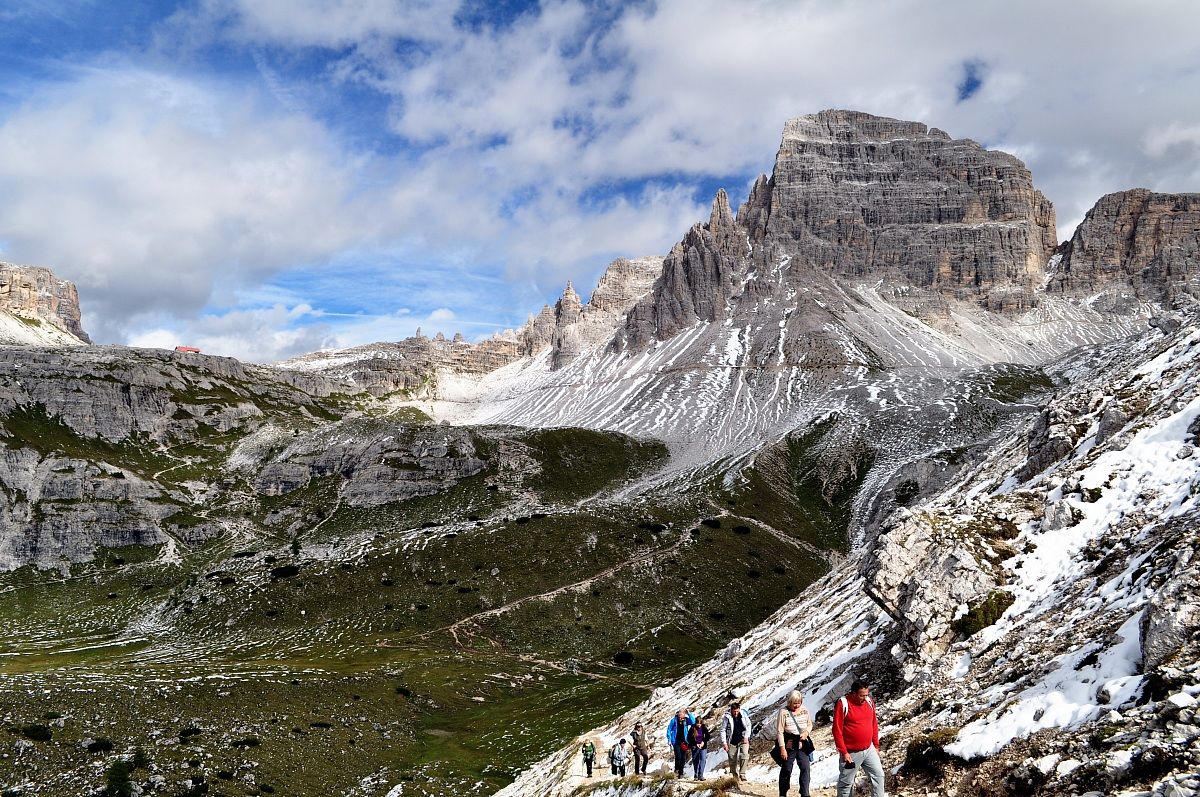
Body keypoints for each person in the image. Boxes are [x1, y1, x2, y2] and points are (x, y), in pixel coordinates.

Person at [832, 680, 884, 797]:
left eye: (866, 694)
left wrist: (876, 745)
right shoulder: (843, 703)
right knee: (846, 784)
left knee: (878, 776)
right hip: (851, 752)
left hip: (869, 749)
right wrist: (844, 752)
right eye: (862, 695)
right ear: (854, 693)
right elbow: (837, 730)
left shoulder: (869, 701)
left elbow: (874, 723)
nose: (865, 698)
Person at [776, 690, 813, 797]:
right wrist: (782, 748)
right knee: (787, 769)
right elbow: (780, 731)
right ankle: (783, 792)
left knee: (805, 768)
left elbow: (809, 724)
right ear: (789, 702)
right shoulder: (783, 712)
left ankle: (805, 793)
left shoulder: (805, 710)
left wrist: (806, 732)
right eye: (794, 703)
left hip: (802, 743)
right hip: (789, 743)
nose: (797, 705)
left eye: (799, 703)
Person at [721, 701, 753, 786]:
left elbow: (749, 726)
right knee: (732, 759)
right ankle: (735, 777)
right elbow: (723, 730)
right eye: (734, 711)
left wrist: (746, 736)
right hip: (732, 741)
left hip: (743, 739)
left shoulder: (743, 715)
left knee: (744, 755)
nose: (736, 713)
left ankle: (742, 774)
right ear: (731, 710)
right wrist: (724, 743)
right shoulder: (727, 717)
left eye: (737, 711)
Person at [666, 708, 696, 778]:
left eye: (682, 713)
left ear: (684, 714)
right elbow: (669, 729)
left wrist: (688, 713)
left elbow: (693, 722)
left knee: (683, 757)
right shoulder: (674, 720)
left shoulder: (686, 720)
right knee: (678, 756)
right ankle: (677, 769)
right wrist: (669, 739)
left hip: (684, 741)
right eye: (679, 712)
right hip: (676, 741)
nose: (680, 714)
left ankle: (681, 772)